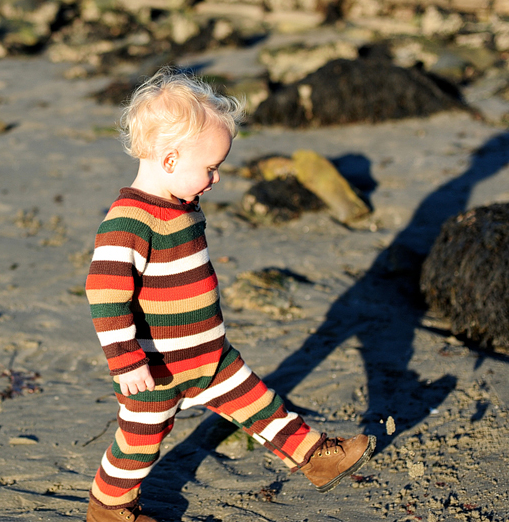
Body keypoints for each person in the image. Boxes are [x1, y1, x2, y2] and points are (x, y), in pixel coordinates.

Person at [84, 69, 374, 522]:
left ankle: (316, 456)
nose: (216, 179)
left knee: (260, 403)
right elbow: (104, 290)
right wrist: (125, 360)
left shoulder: (181, 206)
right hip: (156, 369)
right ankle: (110, 508)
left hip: (210, 354)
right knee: (137, 445)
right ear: (170, 159)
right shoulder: (128, 221)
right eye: (210, 167)